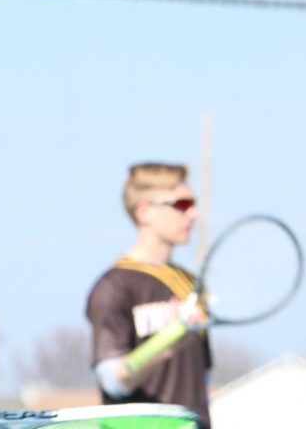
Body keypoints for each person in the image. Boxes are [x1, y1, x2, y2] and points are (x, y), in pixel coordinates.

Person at [85, 162, 213, 427]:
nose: (193, 214)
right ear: (145, 211)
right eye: (181, 205)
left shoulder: (190, 284)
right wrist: (168, 340)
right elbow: (114, 381)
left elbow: (204, 377)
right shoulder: (114, 286)